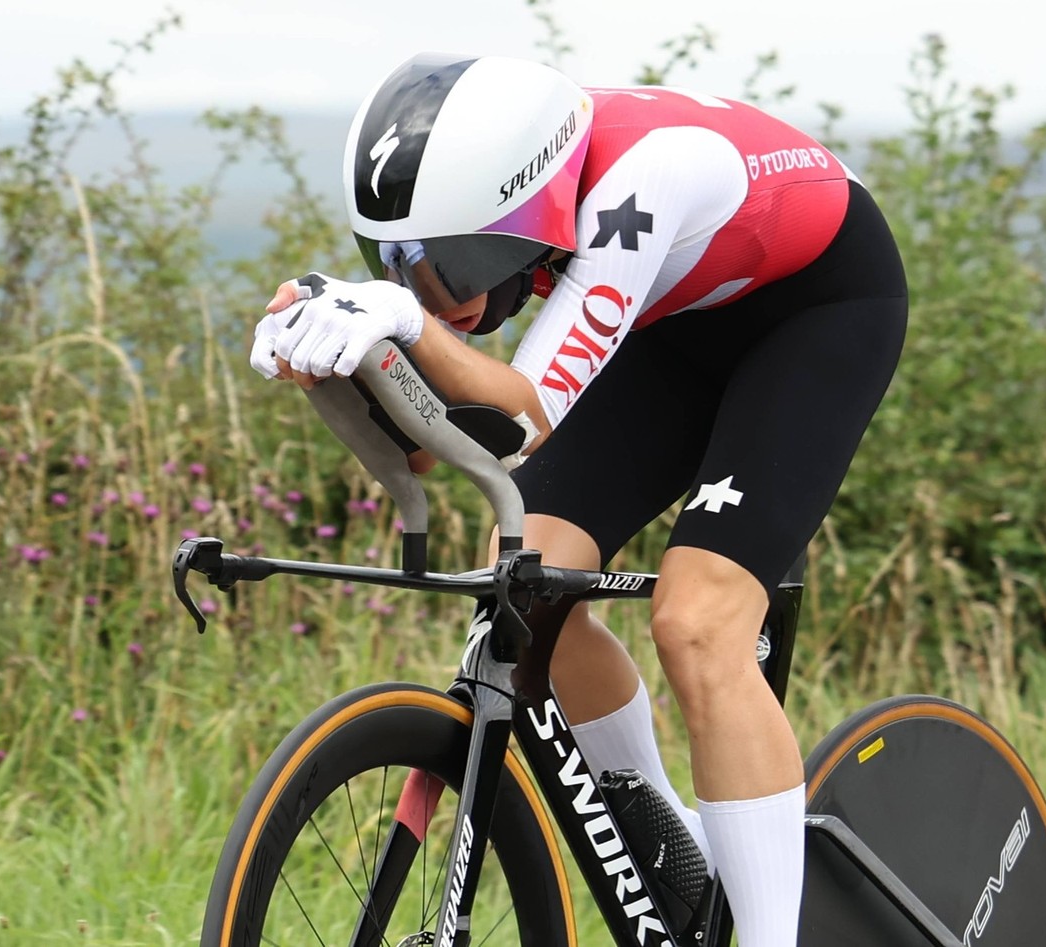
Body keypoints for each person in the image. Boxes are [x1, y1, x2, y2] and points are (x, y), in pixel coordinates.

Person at [250, 53, 907, 947]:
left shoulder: (639, 184)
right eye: (397, 262)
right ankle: (672, 855)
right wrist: (337, 361)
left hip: (814, 309)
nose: (428, 292)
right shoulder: (530, 207)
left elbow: (521, 421)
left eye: (445, 263)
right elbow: (439, 446)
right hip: (673, 319)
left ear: (523, 216)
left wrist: (400, 325)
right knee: (528, 579)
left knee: (699, 621)